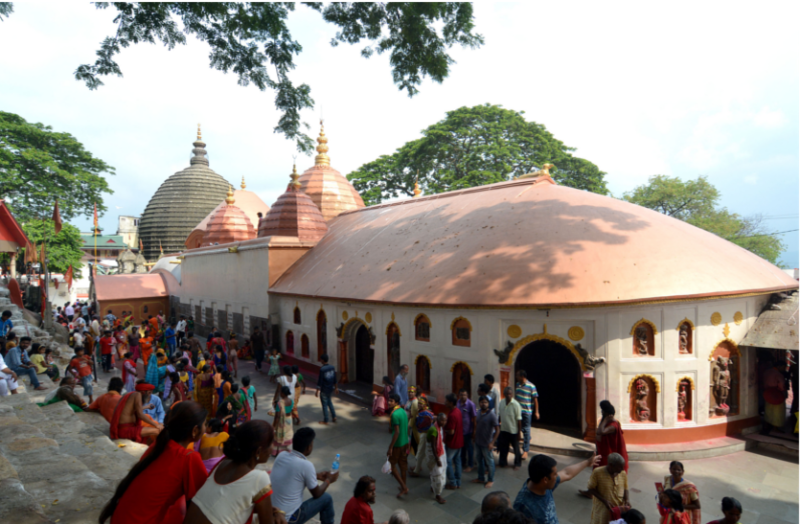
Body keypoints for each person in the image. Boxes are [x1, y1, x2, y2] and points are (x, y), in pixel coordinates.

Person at [99, 401, 208, 524]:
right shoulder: (188, 458)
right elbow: (205, 501)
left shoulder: (158, 445)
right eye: (205, 424)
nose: (205, 428)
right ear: (195, 430)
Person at [186, 420, 280, 524]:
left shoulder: (223, 462)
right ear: (258, 451)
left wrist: (267, 509)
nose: (273, 447)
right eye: (271, 443)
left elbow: (228, 504)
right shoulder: (260, 478)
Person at [271, 427, 339, 524]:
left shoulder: (282, 455)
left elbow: (292, 473)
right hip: (289, 518)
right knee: (326, 498)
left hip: (273, 513)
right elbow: (317, 493)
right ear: (309, 447)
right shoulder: (306, 465)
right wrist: (328, 480)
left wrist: (316, 476)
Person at [513, 452, 601, 524]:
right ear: (545, 479)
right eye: (555, 474)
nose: (557, 476)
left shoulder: (543, 484)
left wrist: (587, 462)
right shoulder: (522, 505)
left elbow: (567, 473)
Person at [587, 453, 630, 524]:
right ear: (611, 465)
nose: (622, 469)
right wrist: (604, 501)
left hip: (618, 510)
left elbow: (625, 488)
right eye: (620, 467)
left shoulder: (622, 473)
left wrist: (627, 499)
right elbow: (590, 489)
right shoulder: (597, 472)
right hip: (603, 510)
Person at [473, 395, 500, 487]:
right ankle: (480, 478)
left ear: (488, 404)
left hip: (487, 443)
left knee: (490, 462)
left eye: (485, 402)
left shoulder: (492, 415)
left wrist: (492, 442)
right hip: (478, 442)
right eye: (481, 402)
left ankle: (490, 479)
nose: (483, 404)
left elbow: (497, 430)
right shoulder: (479, 412)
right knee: (479, 461)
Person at [386, 392, 409, 498]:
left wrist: (390, 447)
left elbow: (396, 432)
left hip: (398, 444)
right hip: (405, 442)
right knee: (402, 464)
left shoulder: (394, 414)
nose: (388, 402)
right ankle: (404, 485)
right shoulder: (403, 411)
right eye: (389, 400)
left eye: (391, 401)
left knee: (392, 465)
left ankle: (404, 487)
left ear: (396, 402)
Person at [514, 370, 539, 459]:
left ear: (522, 376)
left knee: (526, 429)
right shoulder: (517, 385)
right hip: (518, 411)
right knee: (520, 428)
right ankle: (528, 438)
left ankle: (525, 451)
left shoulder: (531, 386)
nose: (516, 377)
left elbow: (535, 400)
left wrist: (536, 411)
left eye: (517, 375)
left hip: (527, 412)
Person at [497, 386, 522, 469]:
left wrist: (519, 433)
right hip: (504, 429)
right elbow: (500, 415)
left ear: (512, 394)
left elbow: (519, 420)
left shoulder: (516, 405)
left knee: (516, 449)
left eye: (510, 394)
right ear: (504, 394)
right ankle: (503, 463)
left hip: (513, 431)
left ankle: (517, 463)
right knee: (503, 448)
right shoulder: (501, 402)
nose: (509, 395)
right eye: (507, 393)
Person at [410, 396, 436, 476]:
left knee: (420, 452)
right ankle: (417, 468)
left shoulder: (425, 414)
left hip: (425, 434)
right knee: (421, 452)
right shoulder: (422, 412)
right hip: (423, 434)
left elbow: (424, 424)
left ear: (425, 404)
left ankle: (417, 471)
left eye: (421, 404)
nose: (419, 405)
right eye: (419, 403)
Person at [443, 392, 464, 490]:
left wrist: (443, 427)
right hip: (459, 441)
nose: (445, 402)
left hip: (453, 442)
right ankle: (458, 482)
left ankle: (452, 482)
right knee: (458, 461)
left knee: (447, 462)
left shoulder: (452, 415)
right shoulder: (458, 411)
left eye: (447, 401)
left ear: (451, 403)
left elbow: (451, 431)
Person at [426, 412, 448, 504]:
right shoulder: (434, 430)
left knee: (436, 471)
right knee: (438, 474)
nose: (444, 422)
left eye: (445, 420)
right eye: (442, 420)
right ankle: (437, 495)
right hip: (435, 455)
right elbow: (433, 447)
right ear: (437, 420)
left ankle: (433, 486)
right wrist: (437, 459)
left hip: (440, 452)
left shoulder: (439, 427)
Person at [458, 388, 477, 471]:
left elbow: (474, 418)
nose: (463, 396)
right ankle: (463, 462)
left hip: (468, 430)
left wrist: (474, 431)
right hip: (459, 430)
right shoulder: (457, 403)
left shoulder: (471, 404)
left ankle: (470, 465)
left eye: (465, 395)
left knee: (469, 448)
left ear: (467, 395)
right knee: (462, 447)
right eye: (461, 395)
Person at [273, 385, 295, 455]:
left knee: (279, 435)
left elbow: (277, 417)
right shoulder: (291, 401)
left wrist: (273, 426)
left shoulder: (279, 404)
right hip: (289, 420)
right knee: (288, 433)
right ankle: (287, 449)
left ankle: (278, 451)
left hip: (282, 422)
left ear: (282, 393)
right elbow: (291, 411)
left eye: (280, 392)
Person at [406, 386, 420, 455]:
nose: (410, 393)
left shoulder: (415, 402)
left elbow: (413, 416)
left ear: (415, 393)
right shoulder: (409, 400)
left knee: (412, 443)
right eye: (409, 392)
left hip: (411, 425)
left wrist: (409, 426)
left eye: (412, 392)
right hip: (407, 422)